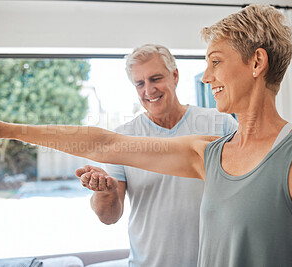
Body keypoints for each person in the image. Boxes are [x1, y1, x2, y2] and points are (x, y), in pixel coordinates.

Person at [0, 4, 292, 267]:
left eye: (215, 62)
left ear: (257, 63)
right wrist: (4, 129)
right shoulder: (209, 154)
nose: (207, 77)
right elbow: (105, 144)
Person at [75, 44, 238, 267]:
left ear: (175, 76)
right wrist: (105, 191)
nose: (148, 90)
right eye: (139, 83)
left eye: (156, 78)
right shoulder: (123, 139)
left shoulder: (221, 125)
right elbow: (109, 216)